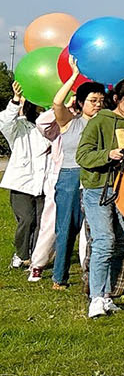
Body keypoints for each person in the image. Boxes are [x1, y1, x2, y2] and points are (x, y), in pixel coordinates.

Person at [74, 77, 124, 318]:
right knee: (104, 241)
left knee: (120, 242)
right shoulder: (100, 121)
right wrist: (108, 154)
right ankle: (95, 298)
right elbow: (82, 155)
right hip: (99, 188)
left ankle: (107, 295)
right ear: (117, 99)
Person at [46, 71, 105, 289]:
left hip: (96, 178)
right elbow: (57, 103)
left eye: (101, 101)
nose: (98, 105)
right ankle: (59, 276)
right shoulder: (70, 122)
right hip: (71, 178)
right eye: (93, 100)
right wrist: (73, 77)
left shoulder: (105, 124)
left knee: (97, 231)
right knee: (66, 228)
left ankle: (93, 277)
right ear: (80, 103)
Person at [3, 83, 58, 274]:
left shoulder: (53, 128)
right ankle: (21, 254)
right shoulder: (20, 127)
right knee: (26, 219)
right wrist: (15, 100)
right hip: (22, 183)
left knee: (43, 223)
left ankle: (36, 258)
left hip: (46, 183)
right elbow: (5, 122)